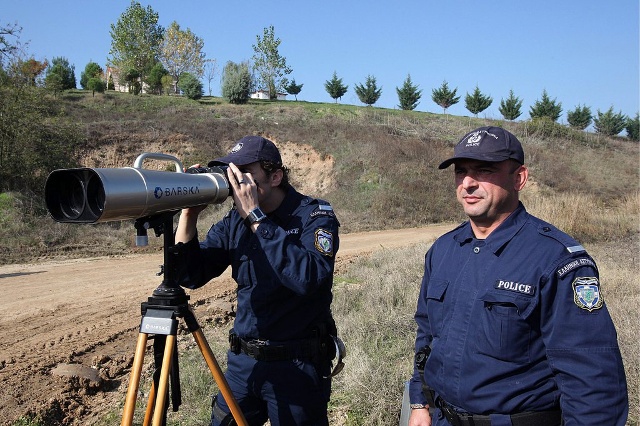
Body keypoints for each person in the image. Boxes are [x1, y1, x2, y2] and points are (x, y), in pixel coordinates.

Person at [408, 126, 628, 426]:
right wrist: (421, 403)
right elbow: (427, 336)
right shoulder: (444, 249)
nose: (468, 183)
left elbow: (593, 381)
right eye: (461, 172)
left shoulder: (556, 260)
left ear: (519, 178)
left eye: (484, 170)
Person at [173, 135, 343, 426]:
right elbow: (191, 274)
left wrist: (256, 218)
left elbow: (308, 279)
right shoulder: (234, 222)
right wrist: (188, 214)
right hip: (244, 365)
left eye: (244, 173)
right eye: (231, 172)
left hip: (297, 367)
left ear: (275, 176)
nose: (235, 181)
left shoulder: (314, 216)